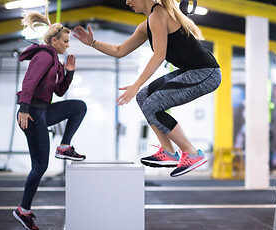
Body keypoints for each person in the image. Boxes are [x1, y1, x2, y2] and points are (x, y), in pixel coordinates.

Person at [73, 0, 221, 177]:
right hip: (190, 70)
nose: (127, 2)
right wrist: (93, 42)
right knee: (144, 97)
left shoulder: (159, 14)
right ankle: (168, 151)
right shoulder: (147, 24)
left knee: (152, 103)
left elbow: (159, 55)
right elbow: (120, 50)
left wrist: (136, 84)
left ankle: (192, 153)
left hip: (205, 72)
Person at [13, 7, 87, 230]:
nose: (68, 45)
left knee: (78, 107)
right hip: (33, 113)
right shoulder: (45, 56)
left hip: (43, 111)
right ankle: (23, 210)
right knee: (40, 166)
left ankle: (64, 146)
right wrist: (24, 109)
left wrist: (70, 73)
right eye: (65, 41)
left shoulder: (55, 62)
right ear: (54, 40)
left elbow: (60, 92)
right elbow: (29, 82)